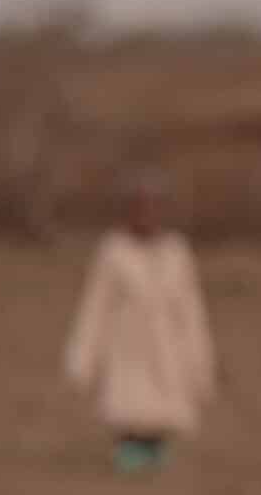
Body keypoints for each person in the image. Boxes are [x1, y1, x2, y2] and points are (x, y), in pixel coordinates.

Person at [63, 172, 216, 475]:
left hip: (166, 344)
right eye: (139, 208)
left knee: (162, 402)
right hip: (126, 345)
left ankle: (156, 448)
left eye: (153, 208)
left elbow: (191, 310)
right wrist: (82, 359)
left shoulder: (177, 252)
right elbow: (95, 309)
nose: (147, 216)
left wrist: (200, 360)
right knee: (130, 401)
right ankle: (129, 449)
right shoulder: (113, 252)